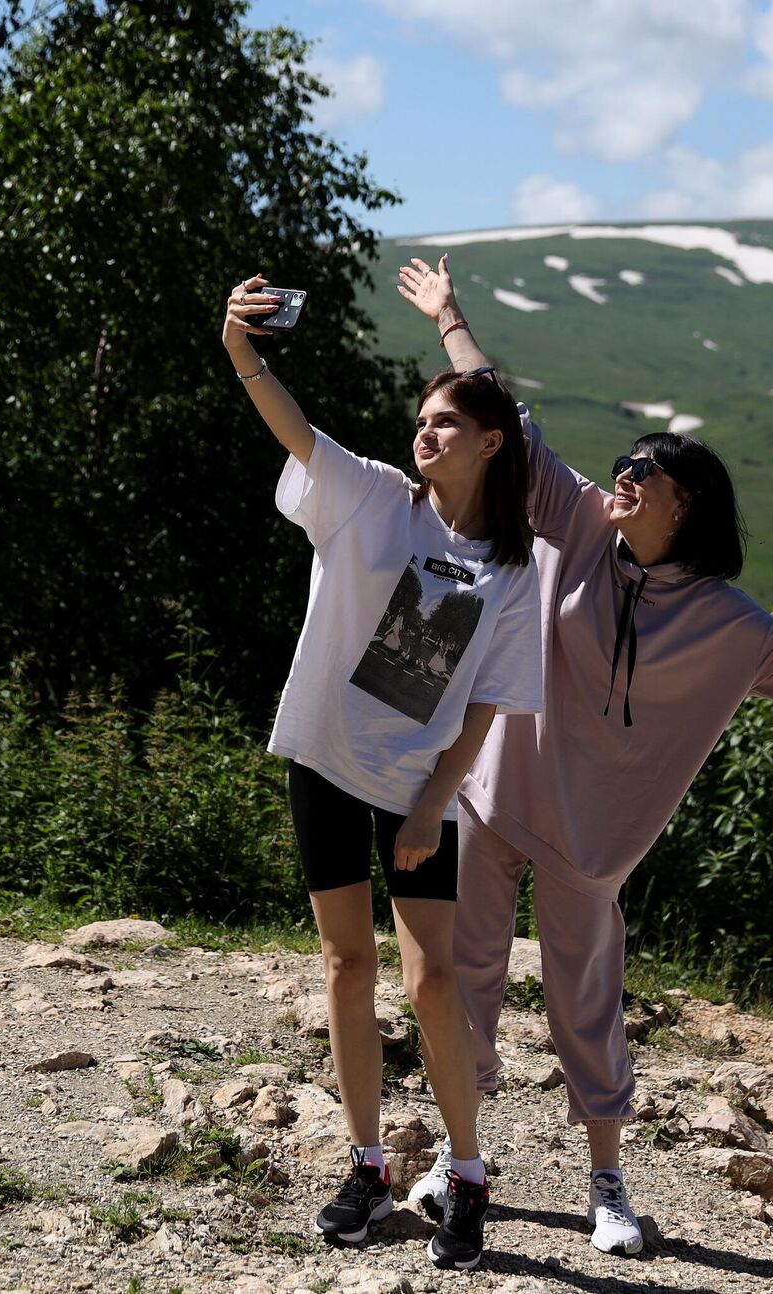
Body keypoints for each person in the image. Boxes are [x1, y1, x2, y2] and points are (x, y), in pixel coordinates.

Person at [394, 255, 773, 1257]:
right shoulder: (579, 523)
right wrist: (452, 321)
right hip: (495, 793)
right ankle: (457, 1158)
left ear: (687, 507)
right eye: (625, 465)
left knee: (584, 1005)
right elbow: (506, 416)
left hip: (591, 843)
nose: (625, 477)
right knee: (462, 981)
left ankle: (606, 1183)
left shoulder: (728, 623)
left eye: (648, 473)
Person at [223, 275, 542, 1270]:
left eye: (448, 418)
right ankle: (366, 1166)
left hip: (418, 788)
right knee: (345, 964)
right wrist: (243, 350)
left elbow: (489, 700)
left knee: (434, 983)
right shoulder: (369, 495)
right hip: (324, 757)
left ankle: (468, 1174)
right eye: (423, 419)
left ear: (492, 440)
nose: (428, 431)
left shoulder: (511, 569)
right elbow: (295, 429)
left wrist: (435, 800)